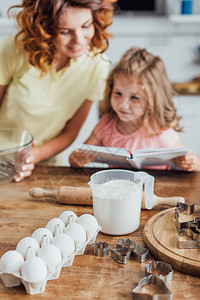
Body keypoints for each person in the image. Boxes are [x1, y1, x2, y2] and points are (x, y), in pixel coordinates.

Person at [0, 0, 116, 182]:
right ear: (44, 29)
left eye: (86, 26)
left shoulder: (98, 65)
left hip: (46, 168)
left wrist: (33, 156)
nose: (78, 39)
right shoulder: (13, 49)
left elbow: (70, 132)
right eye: (65, 31)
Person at [69, 46, 200, 171]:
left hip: (155, 191)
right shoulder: (106, 123)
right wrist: (76, 159)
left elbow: (193, 163)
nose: (123, 104)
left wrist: (192, 163)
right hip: (117, 189)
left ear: (152, 100)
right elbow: (81, 154)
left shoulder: (160, 130)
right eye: (118, 94)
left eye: (135, 98)